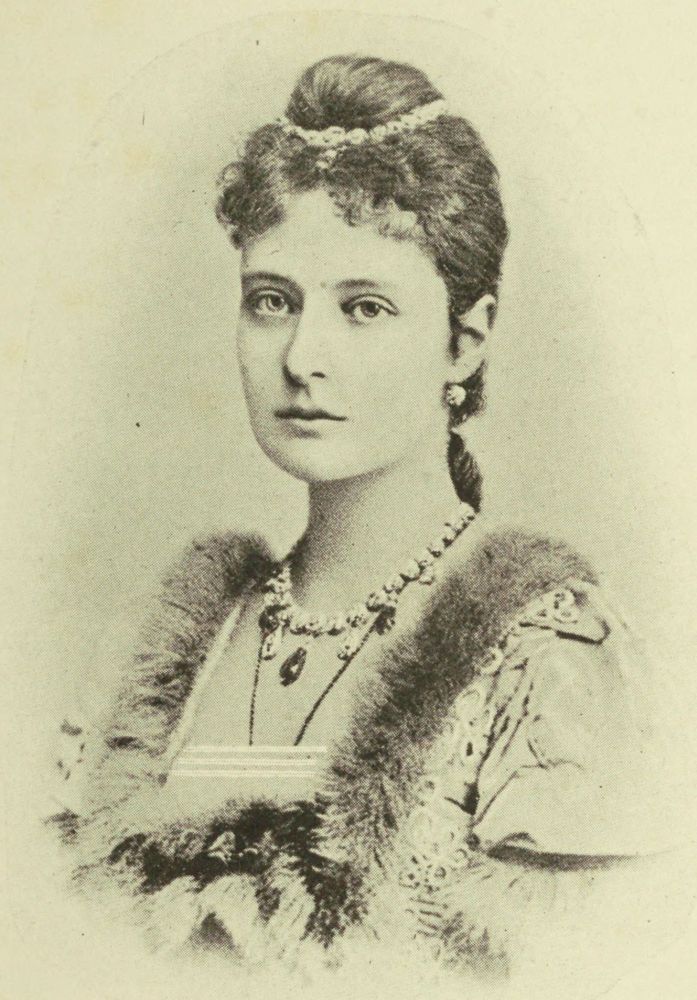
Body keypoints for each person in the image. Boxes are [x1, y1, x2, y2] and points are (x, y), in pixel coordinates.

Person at [46, 54, 691, 995]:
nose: (302, 357)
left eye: (364, 309)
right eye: (272, 302)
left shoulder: (550, 667)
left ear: (464, 340)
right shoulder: (163, 653)